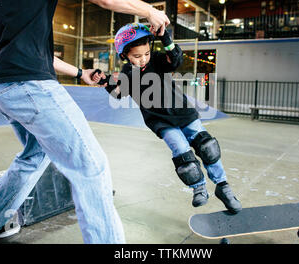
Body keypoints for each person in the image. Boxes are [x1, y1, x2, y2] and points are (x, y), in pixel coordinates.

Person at [0, 0, 169, 244]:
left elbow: (35, 52)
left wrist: (80, 73)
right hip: (29, 85)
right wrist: (148, 10)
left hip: (0, 84)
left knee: (33, 156)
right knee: (90, 164)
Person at [93, 23, 242, 213]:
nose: (143, 59)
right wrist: (105, 82)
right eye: (137, 56)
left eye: (146, 53)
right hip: (161, 122)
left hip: (183, 113)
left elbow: (175, 60)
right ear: (125, 56)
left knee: (207, 147)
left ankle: (223, 187)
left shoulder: (156, 59)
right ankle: (199, 187)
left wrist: (165, 38)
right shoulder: (127, 73)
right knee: (182, 154)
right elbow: (119, 93)